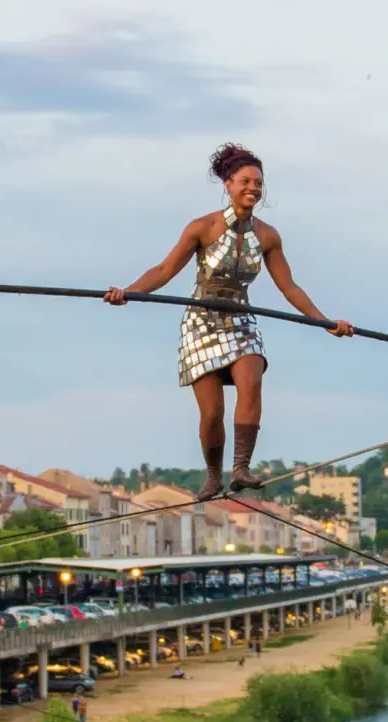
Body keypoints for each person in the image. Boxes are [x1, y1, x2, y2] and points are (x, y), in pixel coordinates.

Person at [106, 143, 354, 500]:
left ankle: (240, 467)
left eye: (258, 183)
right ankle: (212, 476)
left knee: (251, 377)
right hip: (201, 323)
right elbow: (164, 270)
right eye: (246, 181)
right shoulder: (202, 228)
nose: (253, 188)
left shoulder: (268, 236)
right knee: (211, 414)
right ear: (228, 184)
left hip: (241, 320)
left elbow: (289, 287)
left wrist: (325, 322)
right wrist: (127, 292)